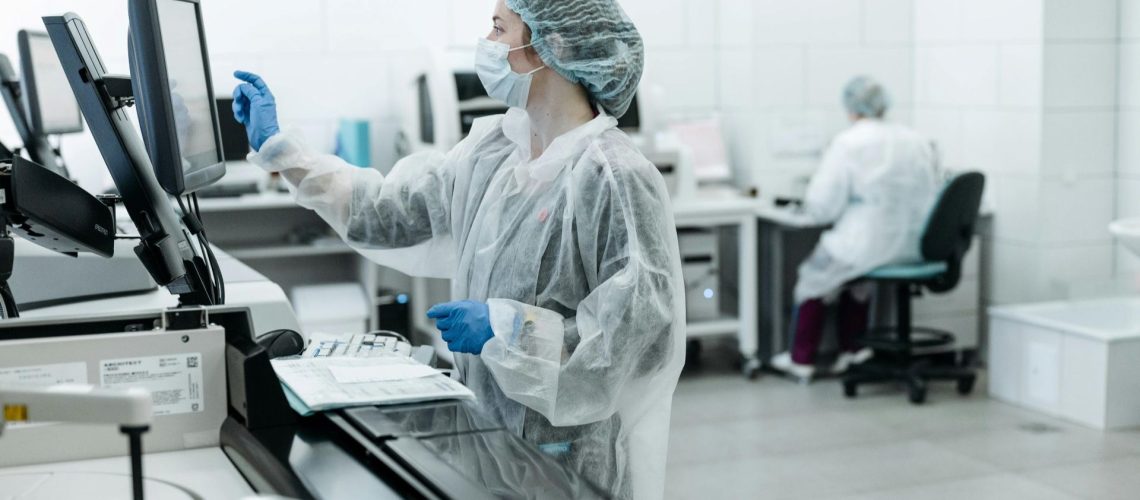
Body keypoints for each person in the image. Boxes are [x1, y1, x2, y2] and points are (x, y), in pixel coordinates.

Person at [230, 0, 685, 498]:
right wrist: (281, 151)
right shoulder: (492, 149)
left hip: (568, 454)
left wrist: (510, 330)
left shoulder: (614, 177)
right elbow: (387, 213)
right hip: (485, 432)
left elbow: (641, 338)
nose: (486, 45)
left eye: (498, 28)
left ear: (550, 46)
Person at [770, 76, 942, 382]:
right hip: (913, 244)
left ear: (851, 108)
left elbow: (823, 204)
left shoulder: (849, 141)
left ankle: (802, 359)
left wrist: (805, 207)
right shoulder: (914, 139)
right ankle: (852, 350)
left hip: (868, 241)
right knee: (856, 283)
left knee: (816, 277)